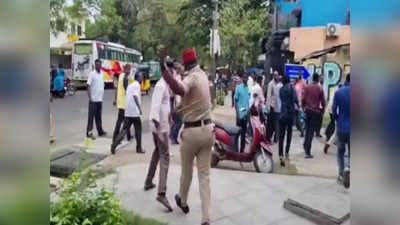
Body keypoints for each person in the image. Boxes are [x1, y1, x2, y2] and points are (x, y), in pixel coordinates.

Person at [158, 46, 214, 225]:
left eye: (181, 65)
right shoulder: (203, 76)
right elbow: (196, 100)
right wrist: (179, 110)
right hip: (208, 131)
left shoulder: (191, 77)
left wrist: (162, 66)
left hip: (192, 133)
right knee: (204, 176)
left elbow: (179, 89)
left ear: (186, 64)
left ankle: (182, 199)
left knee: (187, 171)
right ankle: (206, 218)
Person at [144, 74, 173, 212]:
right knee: (165, 157)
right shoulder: (161, 86)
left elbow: (164, 105)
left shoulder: (165, 85)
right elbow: (155, 110)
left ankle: (148, 181)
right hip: (160, 128)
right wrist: (160, 132)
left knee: (157, 152)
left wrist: (170, 116)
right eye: (173, 72)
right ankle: (162, 193)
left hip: (162, 126)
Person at [111, 72, 145, 154]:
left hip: (128, 111)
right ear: (138, 78)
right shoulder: (137, 85)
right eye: (141, 77)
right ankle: (139, 148)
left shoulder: (130, 85)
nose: (142, 79)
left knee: (124, 130)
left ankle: (114, 145)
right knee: (138, 129)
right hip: (134, 112)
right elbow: (135, 96)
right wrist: (139, 108)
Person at [332, 74, 350, 188]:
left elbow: (333, 110)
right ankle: (349, 168)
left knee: (340, 151)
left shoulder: (339, 92)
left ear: (346, 79)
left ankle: (341, 173)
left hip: (342, 127)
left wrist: (337, 119)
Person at [302, 73, 326, 158]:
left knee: (307, 129)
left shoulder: (307, 87)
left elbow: (303, 99)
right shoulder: (320, 88)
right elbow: (323, 102)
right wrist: (322, 111)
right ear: (318, 79)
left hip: (307, 111)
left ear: (312, 78)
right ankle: (307, 151)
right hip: (315, 112)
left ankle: (305, 145)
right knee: (311, 131)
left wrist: (303, 108)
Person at [278, 75, 300, 167]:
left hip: (282, 114)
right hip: (290, 114)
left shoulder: (281, 89)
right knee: (289, 134)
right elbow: (295, 99)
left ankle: (280, 154)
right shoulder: (292, 88)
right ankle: (287, 152)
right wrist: (298, 106)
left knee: (281, 136)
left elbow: (281, 99)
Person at [111, 64, 133, 153]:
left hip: (121, 103)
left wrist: (115, 99)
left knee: (122, 122)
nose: (130, 71)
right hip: (124, 104)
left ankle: (124, 137)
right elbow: (127, 89)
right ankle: (115, 142)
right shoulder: (125, 78)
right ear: (126, 69)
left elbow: (117, 89)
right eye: (129, 69)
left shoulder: (121, 76)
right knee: (125, 123)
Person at [86, 59, 107, 140]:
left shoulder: (102, 74)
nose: (98, 66)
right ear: (95, 65)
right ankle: (89, 133)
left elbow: (102, 84)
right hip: (93, 100)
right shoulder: (92, 74)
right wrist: (90, 97)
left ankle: (100, 131)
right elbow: (88, 86)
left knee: (98, 117)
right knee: (91, 117)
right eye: (97, 65)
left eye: (100, 65)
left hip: (99, 99)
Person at [234, 72, 251, 153]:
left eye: (246, 78)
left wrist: (248, 113)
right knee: (237, 134)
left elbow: (248, 103)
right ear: (242, 78)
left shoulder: (248, 89)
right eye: (244, 78)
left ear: (247, 79)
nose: (245, 79)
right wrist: (237, 114)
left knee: (244, 134)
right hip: (240, 114)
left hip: (246, 115)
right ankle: (235, 149)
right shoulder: (238, 88)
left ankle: (242, 150)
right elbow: (235, 101)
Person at [266, 71, 283, 143]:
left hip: (279, 107)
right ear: (273, 76)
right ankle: (268, 137)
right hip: (272, 106)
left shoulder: (280, 84)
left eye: (277, 75)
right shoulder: (271, 84)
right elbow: (268, 96)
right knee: (271, 124)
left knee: (277, 123)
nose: (276, 76)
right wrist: (268, 107)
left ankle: (276, 138)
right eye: (274, 75)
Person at [170, 60, 184, 144]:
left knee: (176, 121)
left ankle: (172, 136)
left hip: (176, 102)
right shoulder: (177, 78)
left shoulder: (176, 77)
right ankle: (173, 137)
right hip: (177, 102)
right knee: (179, 121)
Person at [294, 72, 306, 137]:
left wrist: (303, 97)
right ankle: (301, 130)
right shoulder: (296, 83)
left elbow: (306, 90)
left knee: (299, 118)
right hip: (295, 103)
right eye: (298, 75)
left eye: (300, 75)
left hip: (300, 103)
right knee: (296, 120)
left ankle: (302, 132)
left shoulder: (303, 82)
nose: (299, 76)